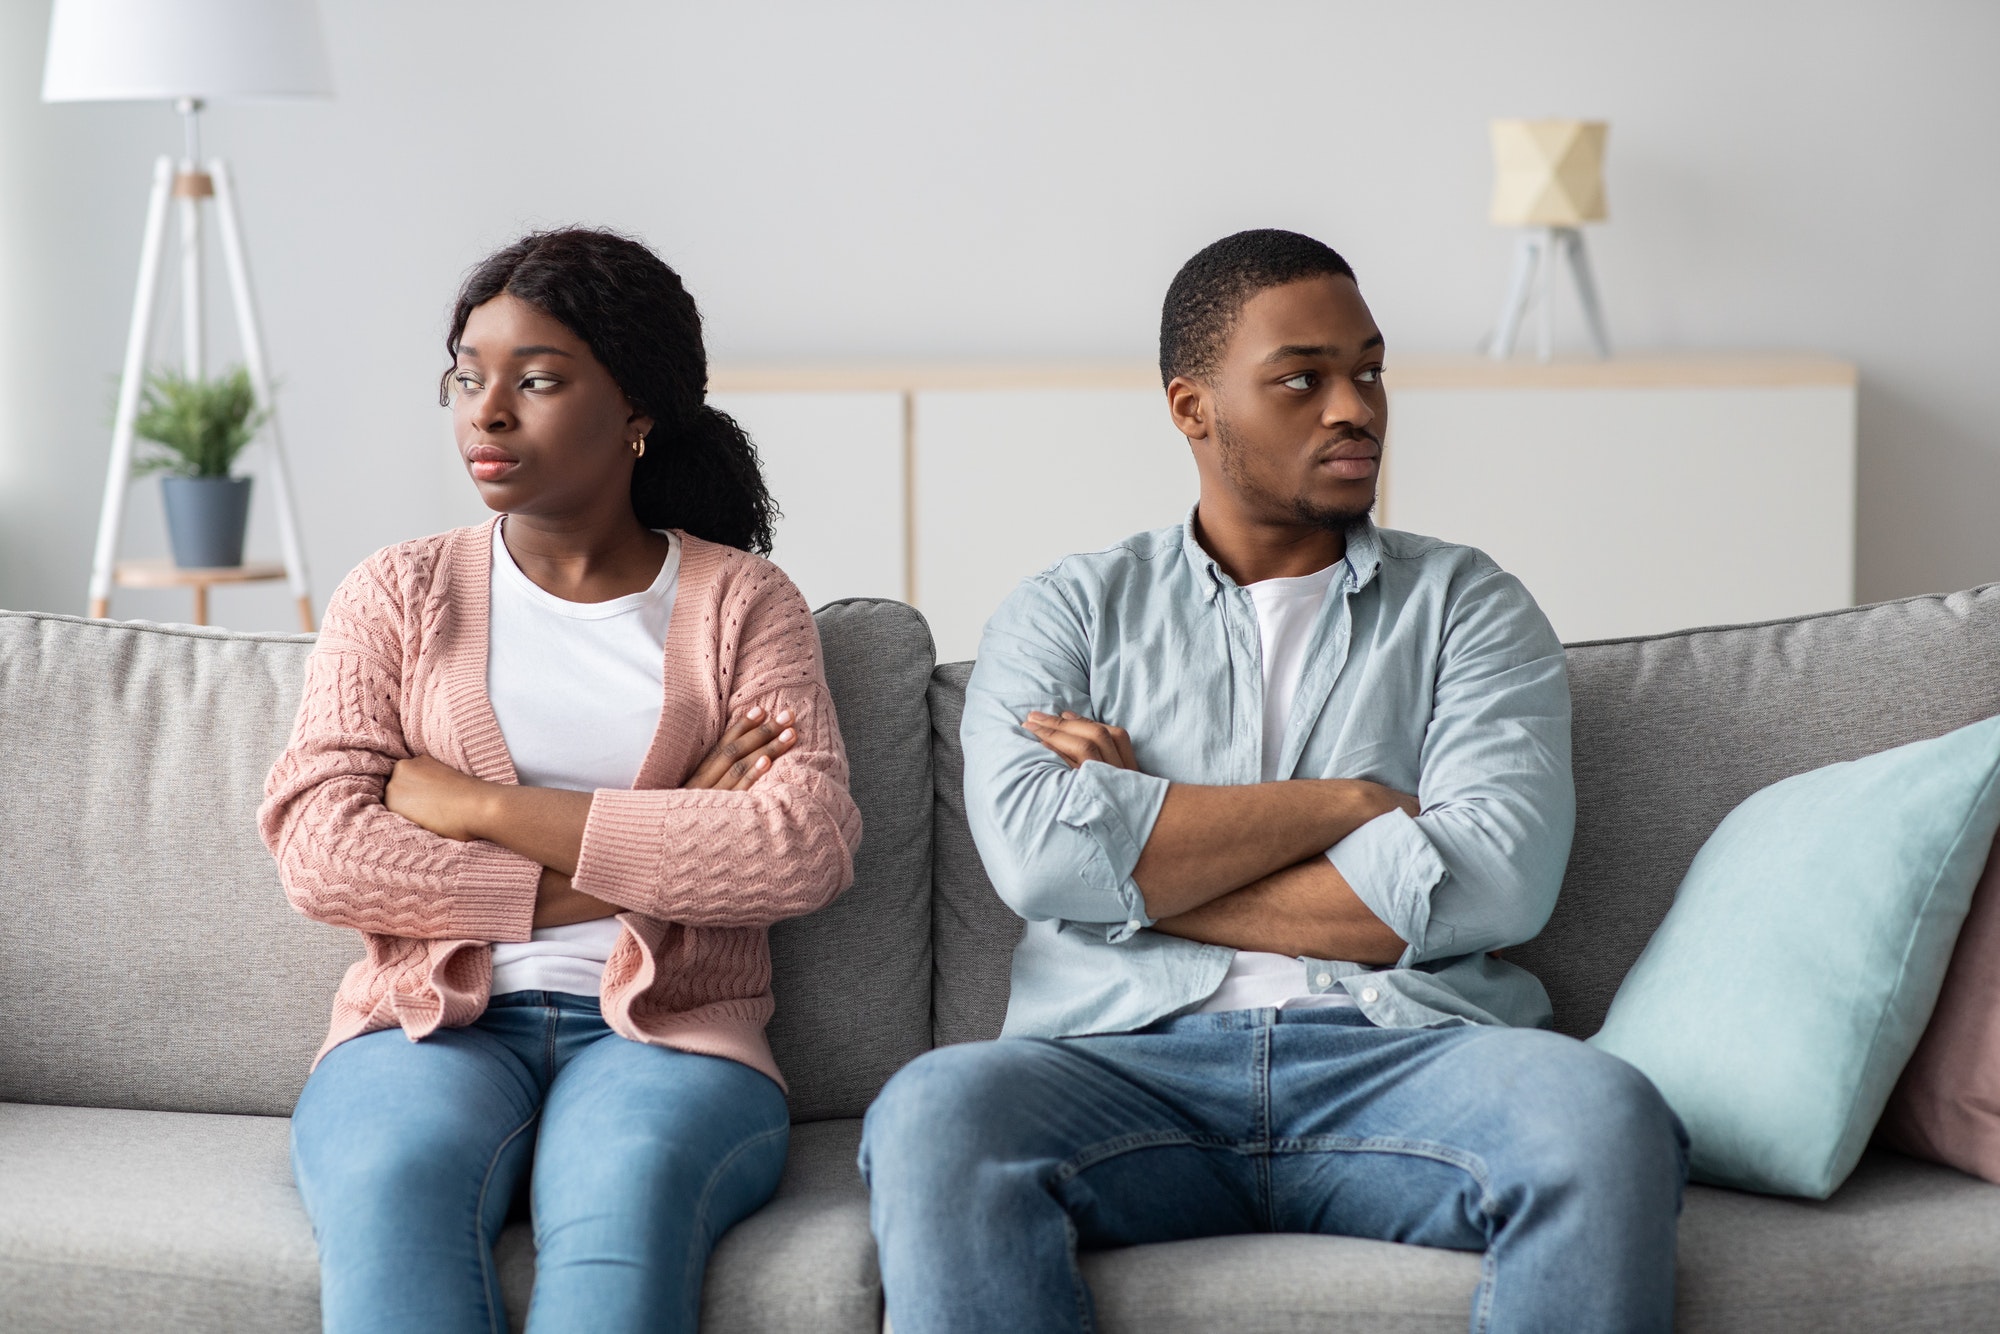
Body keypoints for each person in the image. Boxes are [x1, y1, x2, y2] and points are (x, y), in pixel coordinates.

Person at [859, 229, 1687, 1333]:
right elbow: (1034, 859)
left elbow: (1492, 883)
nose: (1354, 407)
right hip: (1116, 1064)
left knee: (1600, 1112)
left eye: (1368, 370)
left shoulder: (1469, 607)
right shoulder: (1067, 610)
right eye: (1301, 378)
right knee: (931, 1111)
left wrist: (1135, 846)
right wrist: (1349, 804)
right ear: (1190, 406)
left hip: (1406, 1053)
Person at [260, 227, 862, 1334]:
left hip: (670, 1032)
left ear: (636, 409)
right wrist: (655, 845)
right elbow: (322, 847)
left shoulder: (742, 603)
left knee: (623, 1191)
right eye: (467, 376)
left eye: (535, 380)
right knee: (395, 1186)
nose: (486, 412)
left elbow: (801, 844)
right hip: (425, 1025)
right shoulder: (396, 593)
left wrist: (477, 806)